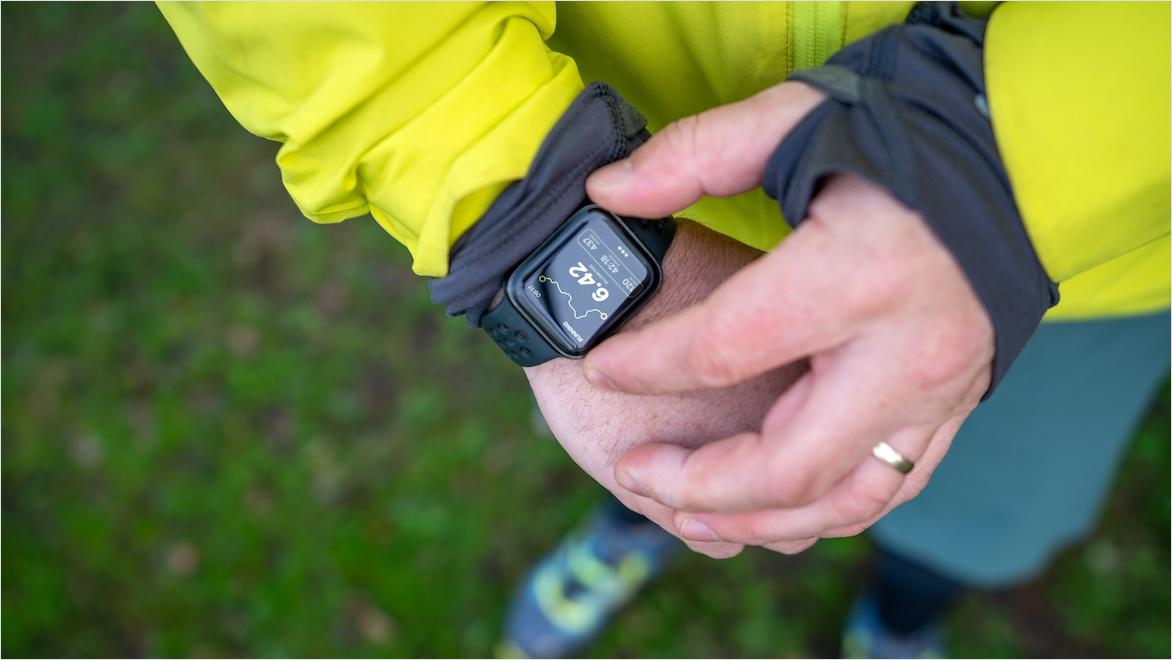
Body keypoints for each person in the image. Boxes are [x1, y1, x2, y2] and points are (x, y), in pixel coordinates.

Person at [159, 2, 1169, 657]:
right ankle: (634, 525)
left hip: (1077, 263)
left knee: (966, 501)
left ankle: (900, 618)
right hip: (632, 160)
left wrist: (1023, 160)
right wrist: (519, 200)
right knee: (675, 466)